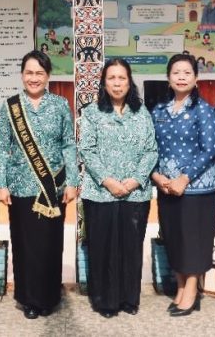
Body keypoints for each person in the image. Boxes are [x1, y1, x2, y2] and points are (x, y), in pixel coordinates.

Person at [0, 50, 79, 319]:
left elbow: (68, 143)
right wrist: (0, 184)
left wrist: (73, 181)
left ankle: (50, 296)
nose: (34, 78)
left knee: (51, 244)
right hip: (20, 188)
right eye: (29, 73)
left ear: (48, 76)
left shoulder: (60, 104)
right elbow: (1, 147)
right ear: (22, 75)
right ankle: (29, 298)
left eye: (39, 73)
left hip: (53, 188)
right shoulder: (10, 107)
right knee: (25, 245)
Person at [77, 58, 158, 318]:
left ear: (129, 81)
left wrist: (135, 180)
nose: (117, 83)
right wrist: (109, 181)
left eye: (121, 78)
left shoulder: (142, 112)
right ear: (103, 82)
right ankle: (104, 301)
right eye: (111, 78)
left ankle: (128, 299)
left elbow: (151, 150)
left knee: (130, 247)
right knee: (102, 247)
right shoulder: (91, 112)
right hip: (100, 192)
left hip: (136, 193)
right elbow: (87, 150)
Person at [150, 52, 215, 317]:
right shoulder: (158, 111)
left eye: (187, 73)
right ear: (168, 78)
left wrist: (184, 178)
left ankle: (191, 291)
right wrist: (157, 176)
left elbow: (209, 150)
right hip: (166, 188)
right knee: (174, 239)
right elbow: (151, 147)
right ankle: (180, 287)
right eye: (176, 72)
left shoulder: (204, 111)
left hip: (196, 189)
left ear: (196, 78)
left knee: (193, 241)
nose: (181, 77)